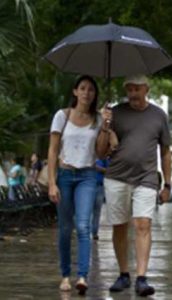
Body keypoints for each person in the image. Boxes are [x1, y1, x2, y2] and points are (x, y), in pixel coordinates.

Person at [97, 75, 171, 297]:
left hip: (146, 178)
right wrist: (105, 126)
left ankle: (141, 277)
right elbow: (100, 152)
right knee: (119, 226)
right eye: (129, 89)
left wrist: (167, 183)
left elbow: (165, 151)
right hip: (116, 177)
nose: (132, 93)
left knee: (142, 225)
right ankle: (123, 274)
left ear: (147, 89)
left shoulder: (159, 115)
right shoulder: (115, 113)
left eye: (137, 88)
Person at [47, 75, 102, 295]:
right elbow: (52, 150)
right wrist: (52, 183)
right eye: (83, 88)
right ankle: (65, 275)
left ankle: (82, 276)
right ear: (75, 91)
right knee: (65, 229)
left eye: (91, 90)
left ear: (95, 94)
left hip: (88, 176)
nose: (87, 93)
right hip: (65, 175)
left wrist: (106, 126)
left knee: (83, 226)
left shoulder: (98, 119)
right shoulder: (62, 116)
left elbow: (103, 151)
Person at [92, 158, 109, 240]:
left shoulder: (104, 158)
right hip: (88, 185)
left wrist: (98, 168)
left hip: (100, 186)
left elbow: (109, 170)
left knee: (97, 210)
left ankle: (95, 233)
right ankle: (85, 232)